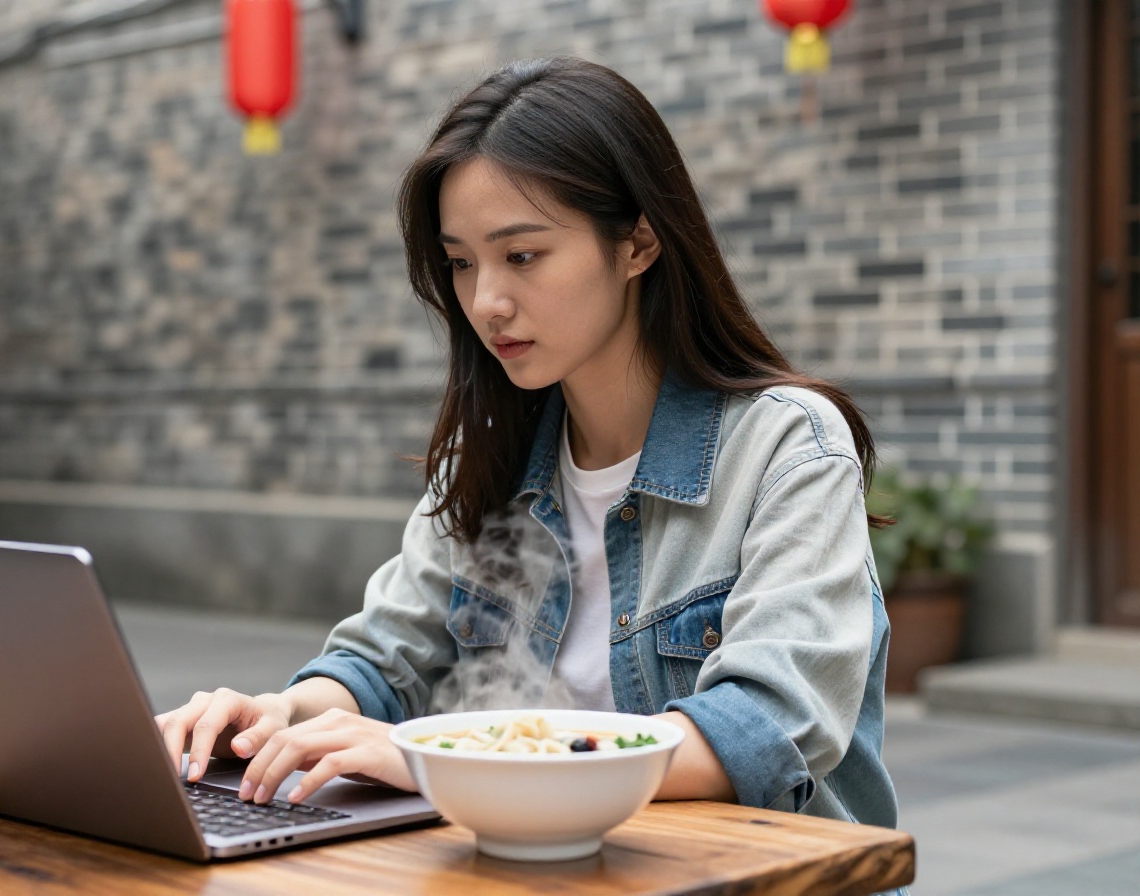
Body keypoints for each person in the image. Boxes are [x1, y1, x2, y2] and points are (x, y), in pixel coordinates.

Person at [156, 56, 899, 831]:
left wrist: (441, 759)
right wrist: (274, 717)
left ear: (639, 242)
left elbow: (764, 728)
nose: (486, 302)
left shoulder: (788, 446)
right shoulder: (489, 453)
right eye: (461, 263)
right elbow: (385, 662)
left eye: (522, 256)